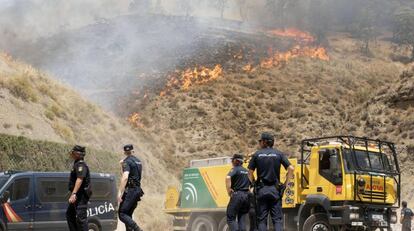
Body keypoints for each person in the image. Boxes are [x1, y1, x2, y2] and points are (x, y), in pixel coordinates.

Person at [248, 132, 295, 231]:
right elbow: (291, 168)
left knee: (261, 220)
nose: (260, 143)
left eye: (261, 141)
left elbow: (250, 172)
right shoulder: (279, 154)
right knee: (277, 220)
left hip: (262, 190)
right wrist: (285, 184)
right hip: (275, 191)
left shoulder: (257, 154)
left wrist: (253, 184)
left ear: (265, 142)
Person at [118, 144, 144, 231]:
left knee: (122, 214)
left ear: (125, 152)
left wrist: (119, 193)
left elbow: (125, 177)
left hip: (131, 190)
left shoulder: (126, 161)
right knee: (128, 215)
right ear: (133, 151)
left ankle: (137, 229)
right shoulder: (138, 161)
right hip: (137, 191)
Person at [66, 145, 91, 231]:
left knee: (81, 219)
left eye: (73, 152)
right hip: (77, 196)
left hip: (81, 196)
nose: (71, 154)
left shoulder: (81, 164)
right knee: (69, 214)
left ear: (77, 154)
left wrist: (74, 193)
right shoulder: (76, 163)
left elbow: (80, 179)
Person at [226, 154, 251, 231]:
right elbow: (251, 184)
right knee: (242, 218)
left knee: (230, 218)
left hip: (237, 195)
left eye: (232, 160)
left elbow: (228, 177)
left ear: (236, 161)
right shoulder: (247, 171)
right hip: (246, 196)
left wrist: (229, 190)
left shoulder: (235, 169)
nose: (231, 162)